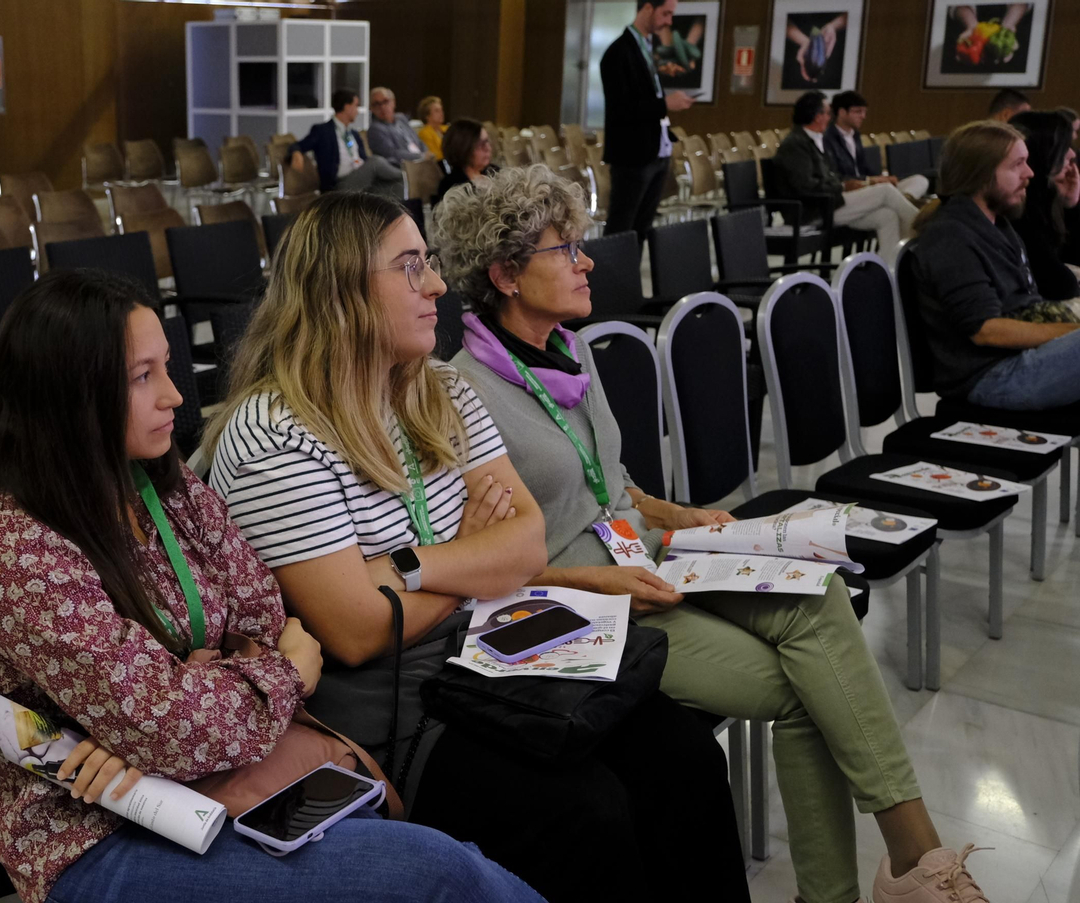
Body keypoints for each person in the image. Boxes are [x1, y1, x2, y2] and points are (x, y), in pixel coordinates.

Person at [431, 164, 998, 903]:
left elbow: (612, 478)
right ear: (506, 273)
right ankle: (882, 878)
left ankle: (908, 856)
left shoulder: (569, 354)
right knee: (806, 689)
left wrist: (677, 514)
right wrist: (602, 574)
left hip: (649, 557)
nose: (585, 261)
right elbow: (477, 560)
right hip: (584, 608)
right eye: (563, 249)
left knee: (818, 592)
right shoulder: (461, 392)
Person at [203, 191, 751, 903]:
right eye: (409, 268)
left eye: (429, 263)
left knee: (684, 760)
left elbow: (522, 544)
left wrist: (410, 566)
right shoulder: (273, 435)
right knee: (586, 816)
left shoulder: (438, 392)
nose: (435, 285)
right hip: (394, 710)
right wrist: (472, 561)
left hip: (493, 652)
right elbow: (361, 630)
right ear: (341, 292)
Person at [0, 268, 545, 903]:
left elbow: (262, 617)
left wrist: (169, 715)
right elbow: (187, 719)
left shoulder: (160, 487)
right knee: (436, 871)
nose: (175, 397)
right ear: (68, 397)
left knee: (456, 859)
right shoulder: (15, 553)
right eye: (141, 377)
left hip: (229, 776)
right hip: (102, 831)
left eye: (167, 368)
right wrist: (250, 685)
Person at [912, 120, 1080, 410]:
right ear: (982, 174)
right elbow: (986, 330)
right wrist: (1071, 332)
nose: (1030, 173)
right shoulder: (951, 236)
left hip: (1018, 361)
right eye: (1018, 165)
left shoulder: (996, 223)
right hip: (993, 377)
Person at [775, 91, 920, 266]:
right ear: (816, 116)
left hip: (830, 204)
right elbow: (806, 186)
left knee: (887, 215)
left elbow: (830, 176)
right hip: (813, 210)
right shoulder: (795, 144)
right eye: (827, 113)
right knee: (885, 192)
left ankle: (891, 271)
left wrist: (848, 185)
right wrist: (843, 187)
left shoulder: (813, 139)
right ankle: (926, 229)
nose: (830, 117)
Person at [600, 0, 694, 244]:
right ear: (648, 8)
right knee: (621, 230)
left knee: (641, 229)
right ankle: (613, 282)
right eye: (666, 13)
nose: (669, 22)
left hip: (655, 150)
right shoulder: (618, 52)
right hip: (632, 155)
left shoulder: (645, 47)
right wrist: (665, 104)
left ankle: (630, 282)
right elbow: (621, 109)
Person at [1007, 110, 1080, 301]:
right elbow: (1062, 286)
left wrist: (1070, 205)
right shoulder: (1017, 210)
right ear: (1041, 153)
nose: (1072, 153)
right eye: (1063, 146)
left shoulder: (1041, 200)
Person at [287, 89, 404, 198]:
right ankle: (406, 173)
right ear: (347, 107)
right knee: (375, 162)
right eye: (356, 106)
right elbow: (297, 145)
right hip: (338, 185)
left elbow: (363, 159)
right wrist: (296, 153)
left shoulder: (353, 133)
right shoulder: (323, 130)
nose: (357, 111)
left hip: (361, 178)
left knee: (397, 186)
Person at [825, 90, 930, 198]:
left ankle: (902, 199)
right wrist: (870, 180)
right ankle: (902, 201)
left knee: (920, 180)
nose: (863, 116)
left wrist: (881, 178)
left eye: (864, 112)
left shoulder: (855, 135)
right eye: (858, 111)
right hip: (851, 190)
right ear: (842, 112)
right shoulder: (827, 138)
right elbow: (836, 175)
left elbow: (863, 166)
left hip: (867, 186)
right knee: (887, 197)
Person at [433, 118, 498, 206]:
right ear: (463, 148)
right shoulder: (450, 185)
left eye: (487, 142)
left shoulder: (496, 172)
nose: (488, 148)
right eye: (481, 144)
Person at [367, 87, 429, 166]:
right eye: (376, 104)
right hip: (401, 167)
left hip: (420, 163)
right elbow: (392, 154)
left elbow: (418, 141)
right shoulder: (375, 129)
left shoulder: (401, 119)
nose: (382, 107)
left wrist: (426, 153)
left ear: (393, 102)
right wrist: (421, 156)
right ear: (371, 108)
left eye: (385, 101)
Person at [416, 95, 447, 160]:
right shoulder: (424, 133)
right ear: (427, 115)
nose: (441, 113)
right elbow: (435, 156)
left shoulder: (447, 129)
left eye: (441, 110)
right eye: (437, 111)